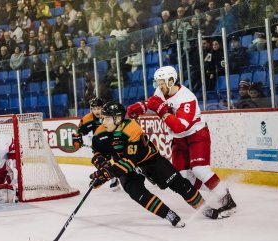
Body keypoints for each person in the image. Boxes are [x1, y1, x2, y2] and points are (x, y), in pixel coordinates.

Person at [126, 66, 237, 218]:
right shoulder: (161, 91)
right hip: (178, 139)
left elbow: (179, 126)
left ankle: (228, 201)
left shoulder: (186, 98)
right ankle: (219, 188)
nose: (159, 86)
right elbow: (154, 103)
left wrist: (162, 111)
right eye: (157, 83)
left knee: (199, 170)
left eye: (162, 82)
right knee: (183, 178)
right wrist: (142, 106)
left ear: (171, 81)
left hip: (196, 135)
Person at [89, 102, 220, 228]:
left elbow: (130, 161)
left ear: (117, 118)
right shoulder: (100, 132)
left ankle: (204, 207)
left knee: (178, 182)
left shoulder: (132, 129)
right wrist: (102, 169)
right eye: (102, 118)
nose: (103, 122)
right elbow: (97, 154)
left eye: (106, 119)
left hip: (149, 160)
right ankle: (168, 214)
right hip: (124, 165)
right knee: (135, 191)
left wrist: (107, 174)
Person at [72, 98, 121, 191]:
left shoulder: (110, 115)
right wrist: (77, 139)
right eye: (94, 109)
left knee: (122, 159)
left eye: (98, 108)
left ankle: (140, 170)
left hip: (116, 140)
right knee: (98, 160)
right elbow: (79, 132)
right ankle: (112, 177)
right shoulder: (87, 118)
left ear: (103, 107)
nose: (96, 111)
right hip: (101, 143)